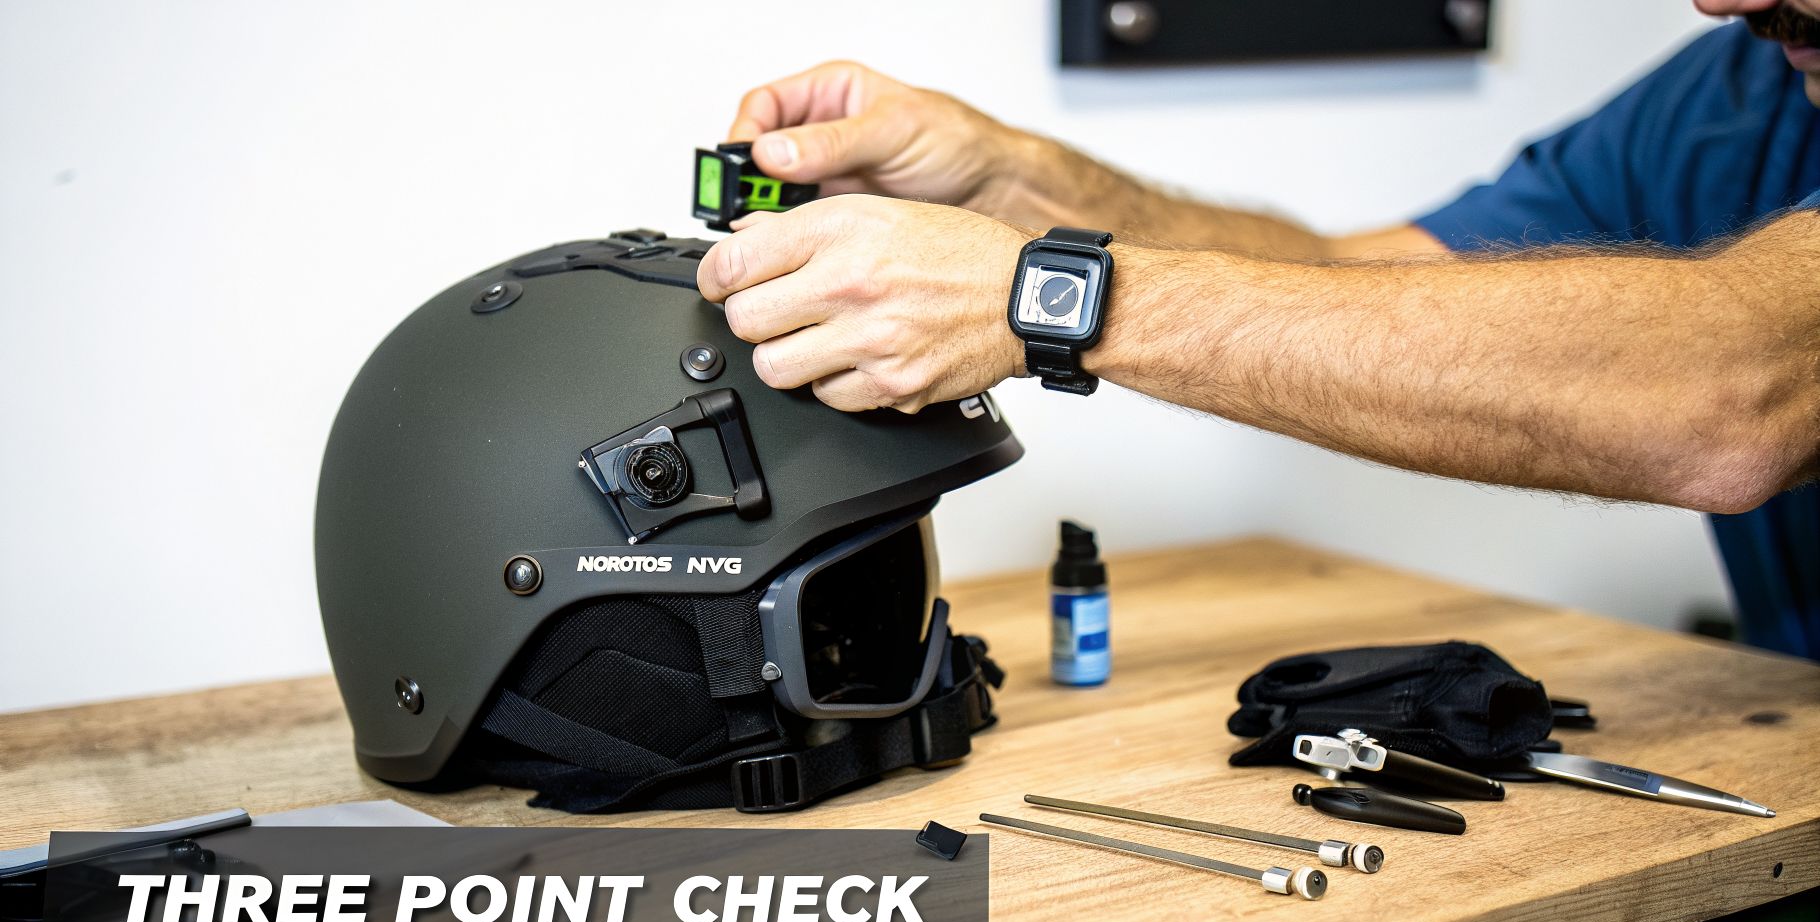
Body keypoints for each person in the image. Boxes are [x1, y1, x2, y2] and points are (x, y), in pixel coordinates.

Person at [696, 0, 1820, 656]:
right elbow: (1361, 287)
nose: (1719, 0)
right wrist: (1016, 186)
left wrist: (1041, 296)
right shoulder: (1738, 92)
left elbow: (1730, 398)